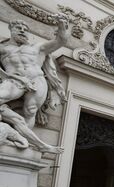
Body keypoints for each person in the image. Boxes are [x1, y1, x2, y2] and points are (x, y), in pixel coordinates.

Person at [0, 18, 69, 154]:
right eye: (18, 28)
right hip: (15, 80)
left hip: (37, 80)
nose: (22, 31)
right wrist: (10, 76)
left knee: (31, 111)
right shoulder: (3, 49)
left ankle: (20, 143)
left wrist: (62, 26)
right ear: (11, 30)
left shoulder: (37, 47)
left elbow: (60, 41)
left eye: (25, 29)